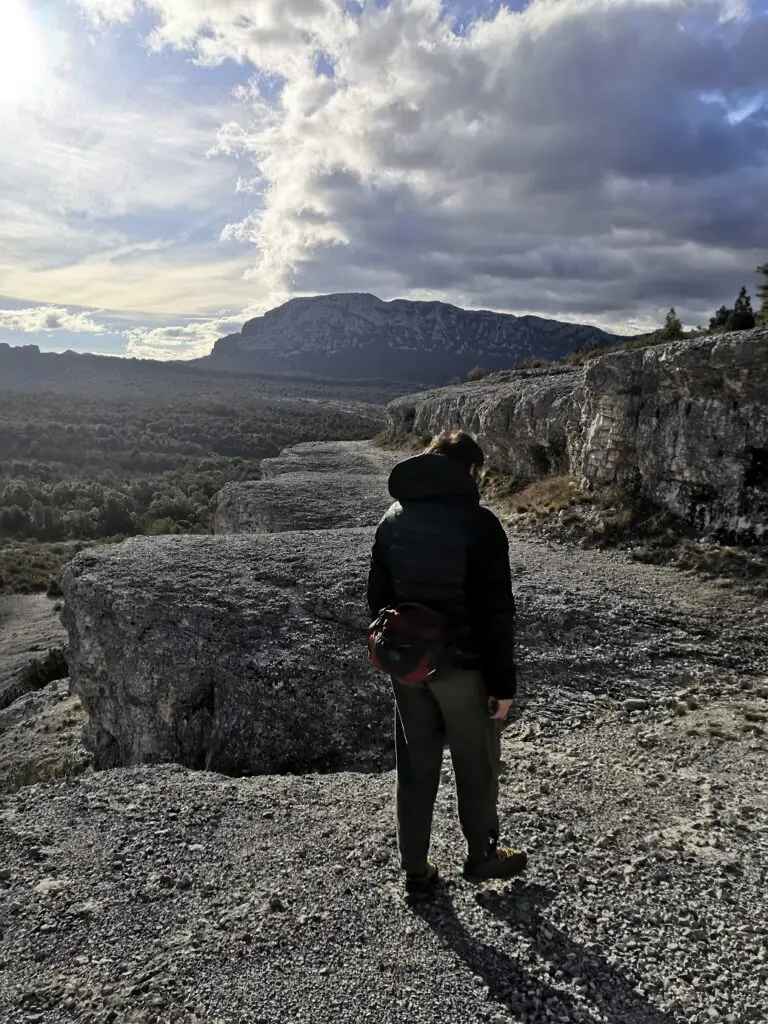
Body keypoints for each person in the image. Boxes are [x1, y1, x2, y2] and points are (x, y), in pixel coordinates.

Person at [367, 430, 527, 901]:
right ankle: (481, 856)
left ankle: (416, 871)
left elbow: (377, 599)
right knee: (475, 764)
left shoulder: (392, 518)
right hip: (463, 669)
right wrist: (502, 685)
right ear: (471, 470)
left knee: (415, 768)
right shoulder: (480, 525)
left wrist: (403, 651)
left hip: (409, 669)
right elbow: (497, 613)